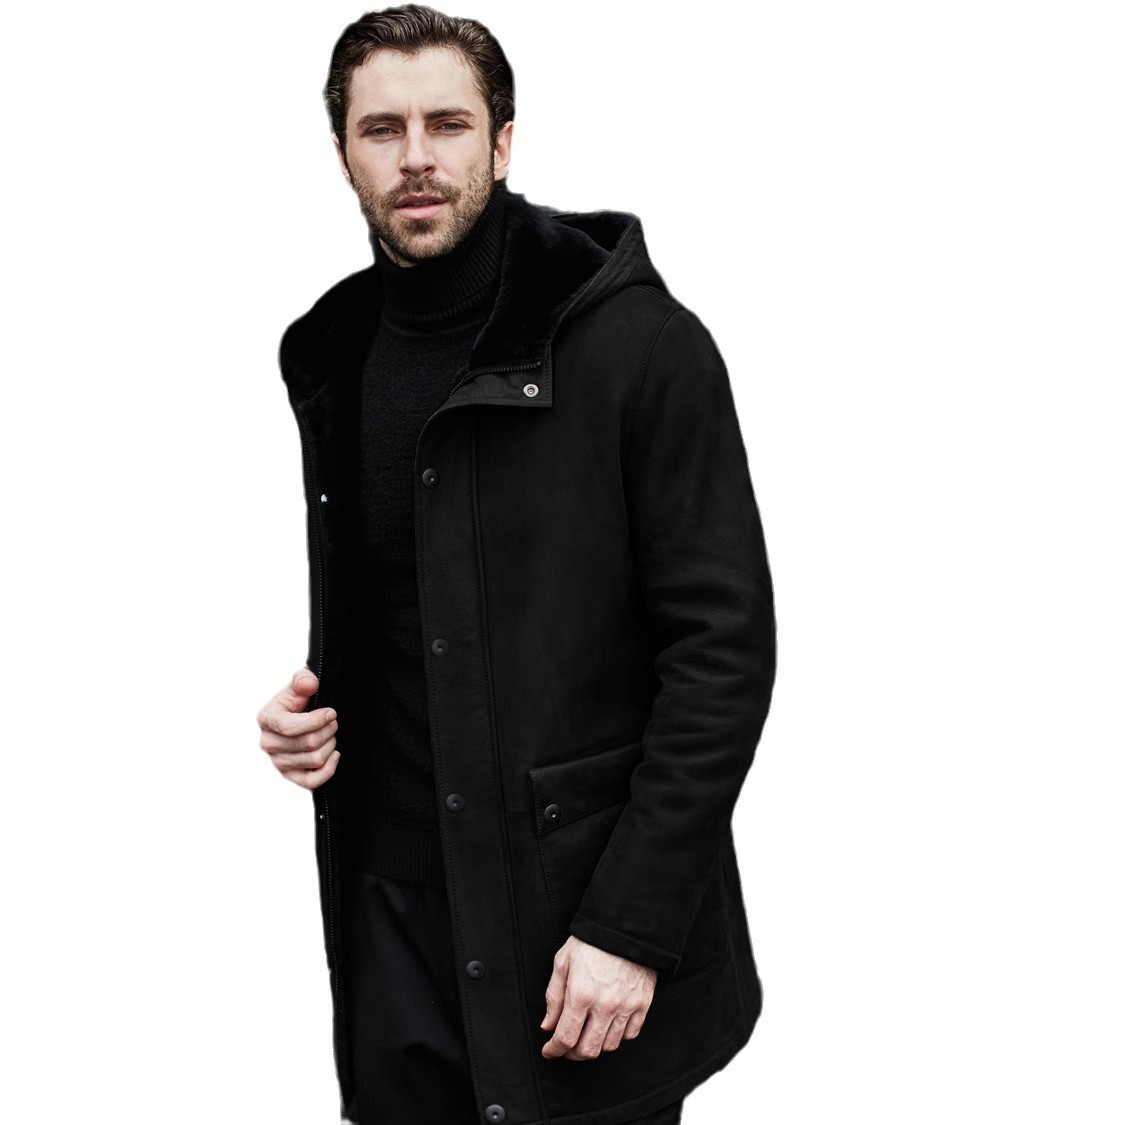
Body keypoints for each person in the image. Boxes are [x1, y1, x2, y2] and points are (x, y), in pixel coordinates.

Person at [256, 6, 777, 1123]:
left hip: (573, 933)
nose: (416, 157)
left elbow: (721, 659)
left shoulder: (639, 347)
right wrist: (319, 715)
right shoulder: (333, 351)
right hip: (389, 917)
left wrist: (631, 924)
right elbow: (421, 605)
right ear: (342, 152)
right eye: (381, 129)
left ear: (501, 143)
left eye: (447, 124)